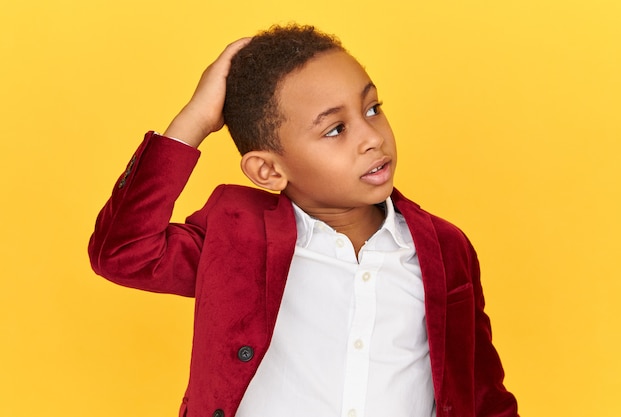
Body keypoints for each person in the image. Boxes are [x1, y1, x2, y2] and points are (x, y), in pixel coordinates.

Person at [89, 24, 518, 417]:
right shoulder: (236, 235)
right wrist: (195, 121)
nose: (373, 138)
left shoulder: (443, 247)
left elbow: (482, 392)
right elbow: (123, 252)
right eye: (335, 129)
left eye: (372, 109)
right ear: (269, 171)